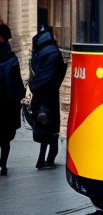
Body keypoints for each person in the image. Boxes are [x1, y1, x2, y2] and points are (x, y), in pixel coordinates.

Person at [29, 26, 67, 169]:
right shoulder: (53, 52)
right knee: (52, 130)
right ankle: (49, 159)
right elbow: (55, 74)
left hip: (40, 96)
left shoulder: (39, 52)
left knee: (45, 130)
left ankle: (41, 159)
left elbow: (36, 71)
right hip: (50, 96)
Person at [0, 24, 26, 176]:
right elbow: (17, 84)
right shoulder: (12, 58)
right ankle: (3, 165)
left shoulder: (11, 59)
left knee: (4, 138)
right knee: (5, 139)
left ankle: (2, 165)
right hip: (8, 104)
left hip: (6, 103)